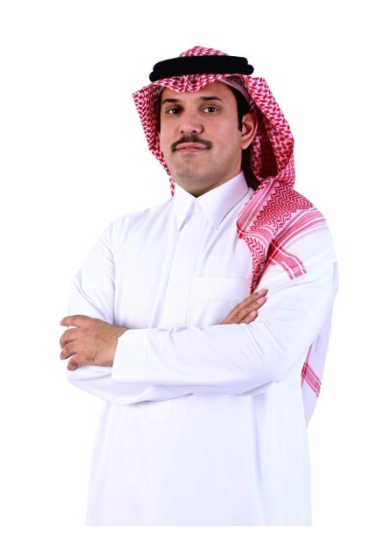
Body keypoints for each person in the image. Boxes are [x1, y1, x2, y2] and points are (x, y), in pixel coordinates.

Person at [58, 46, 338, 526]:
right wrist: (217, 350)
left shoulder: (292, 228)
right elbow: (79, 361)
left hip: (246, 511)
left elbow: (265, 357)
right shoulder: (122, 237)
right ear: (158, 130)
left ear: (247, 128)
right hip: (124, 510)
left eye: (209, 108)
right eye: (173, 110)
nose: (189, 124)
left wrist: (118, 347)